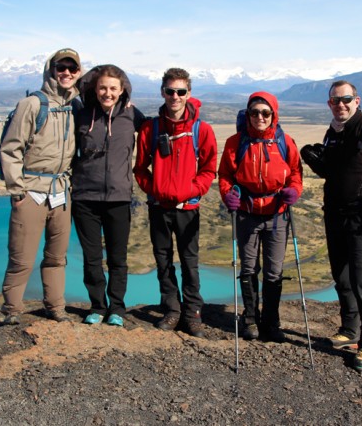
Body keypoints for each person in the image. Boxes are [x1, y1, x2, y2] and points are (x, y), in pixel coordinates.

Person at [300, 80, 362, 371]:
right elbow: (335, 170)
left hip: (360, 219)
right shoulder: (333, 133)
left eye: (345, 99)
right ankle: (350, 329)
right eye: (334, 101)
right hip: (334, 215)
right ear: (329, 104)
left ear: (356, 100)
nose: (340, 104)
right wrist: (317, 162)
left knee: (361, 282)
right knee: (340, 277)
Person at [0, 48, 82, 325]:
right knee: (22, 257)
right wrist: (17, 191)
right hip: (32, 190)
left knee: (57, 257)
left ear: (78, 73)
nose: (66, 73)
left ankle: (56, 308)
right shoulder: (33, 105)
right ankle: (12, 311)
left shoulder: (76, 106)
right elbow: (11, 150)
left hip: (61, 191)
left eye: (72, 68)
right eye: (61, 67)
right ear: (51, 70)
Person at [133, 68, 217, 338]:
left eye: (181, 92)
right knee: (163, 260)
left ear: (188, 94)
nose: (175, 97)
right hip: (159, 207)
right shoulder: (151, 128)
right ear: (162, 92)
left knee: (189, 262)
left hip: (188, 208)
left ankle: (192, 313)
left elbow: (208, 168)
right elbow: (140, 168)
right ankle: (172, 310)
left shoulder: (201, 130)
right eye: (170, 91)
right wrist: (154, 189)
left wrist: (193, 190)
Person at [218, 92, 303, 342]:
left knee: (274, 272)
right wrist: (227, 195)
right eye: (254, 113)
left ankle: (271, 321)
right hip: (247, 214)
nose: (260, 117)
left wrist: (294, 191)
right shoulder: (235, 143)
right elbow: (225, 175)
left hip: (277, 215)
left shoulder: (285, 142)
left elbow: (296, 174)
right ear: (248, 114)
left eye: (265, 113)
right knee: (248, 269)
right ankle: (251, 319)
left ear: (274, 115)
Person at [71, 64, 145, 328]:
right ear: (94, 88)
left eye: (113, 88)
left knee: (117, 258)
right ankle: (97, 305)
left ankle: (117, 307)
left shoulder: (132, 114)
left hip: (118, 197)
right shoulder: (81, 114)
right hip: (85, 198)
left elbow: (157, 129)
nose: (107, 92)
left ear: (122, 89)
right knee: (91, 258)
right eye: (102, 87)